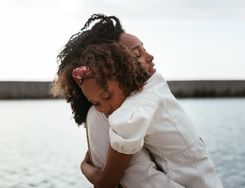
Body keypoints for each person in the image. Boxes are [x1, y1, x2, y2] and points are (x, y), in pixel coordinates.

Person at [54, 37, 223, 188]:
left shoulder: (134, 109)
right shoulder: (153, 88)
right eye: (96, 103)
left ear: (123, 76)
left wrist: (84, 167)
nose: (105, 108)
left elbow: (104, 183)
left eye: (107, 96)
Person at [53, 14, 185, 187]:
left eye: (144, 49)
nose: (150, 56)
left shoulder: (143, 100)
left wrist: (84, 167)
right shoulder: (105, 115)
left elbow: (104, 182)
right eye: (137, 54)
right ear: (119, 66)